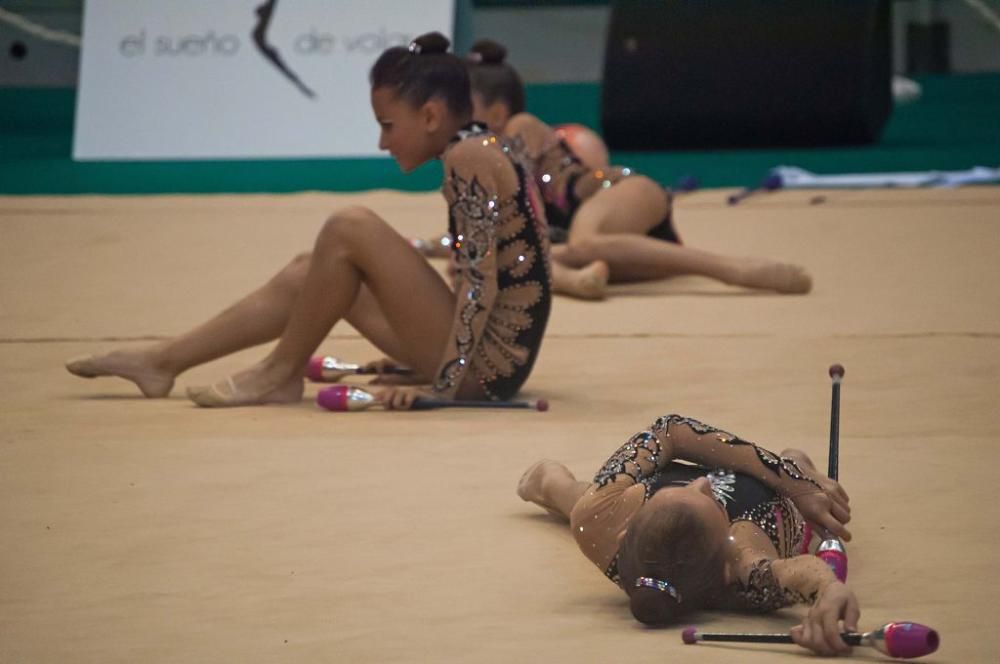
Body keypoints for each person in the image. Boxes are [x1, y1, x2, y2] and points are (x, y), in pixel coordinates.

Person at [65, 32, 552, 409]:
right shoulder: (483, 144)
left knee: (350, 226)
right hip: (484, 358)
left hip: (484, 372)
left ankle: (279, 370)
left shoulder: (468, 156)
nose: (383, 143)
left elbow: (480, 285)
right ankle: (162, 361)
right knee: (313, 269)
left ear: (429, 116)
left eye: (387, 126)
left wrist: (442, 388)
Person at [427, 40, 812, 300]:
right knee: (511, 260)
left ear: (495, 112)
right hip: (616, 244)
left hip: (619, 193)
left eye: (465, 106)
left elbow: (516, 210)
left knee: (569, 246)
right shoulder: (482, 155)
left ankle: (736, 270)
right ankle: (579, 280)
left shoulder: (518, 126)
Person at [517, 413, 860, 657]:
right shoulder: (743, 556)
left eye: (693, 487)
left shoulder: (600, 523)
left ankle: (550, 485)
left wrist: (794, 481)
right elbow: (798, 573)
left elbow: (672, 429)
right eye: (706, 495)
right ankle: (796, 460)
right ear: (728, 563)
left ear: (624, 536)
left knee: (583, 504)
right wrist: (829, 591)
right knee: (796, 463)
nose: (703, 481)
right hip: (766, 499)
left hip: (665, 487)